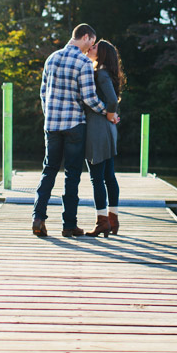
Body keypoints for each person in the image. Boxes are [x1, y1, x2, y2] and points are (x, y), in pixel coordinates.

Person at [32, 24, 118, 237]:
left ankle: (38, 218)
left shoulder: (51, 58)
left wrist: (49, 114)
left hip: (51, 125)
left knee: (49, 171)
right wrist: (107, 112)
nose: (91, 47)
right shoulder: (83, 62)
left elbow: (43, 93)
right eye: (91, 42)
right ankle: (69, 225)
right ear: (86, 37)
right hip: (74, 126)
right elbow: (89, 98)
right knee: (72, 175)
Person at [83, 40, 125, 237]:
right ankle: (113, 219)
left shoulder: (100, 72)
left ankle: (102, 222)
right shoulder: (107, 72)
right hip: (106, 128)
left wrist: (110, 113)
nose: (90, 49)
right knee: (109, 176)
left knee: (97, 178)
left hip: (97, 129)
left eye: (94, 48)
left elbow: (111, 100)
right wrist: (111, 116)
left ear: (102, 53)